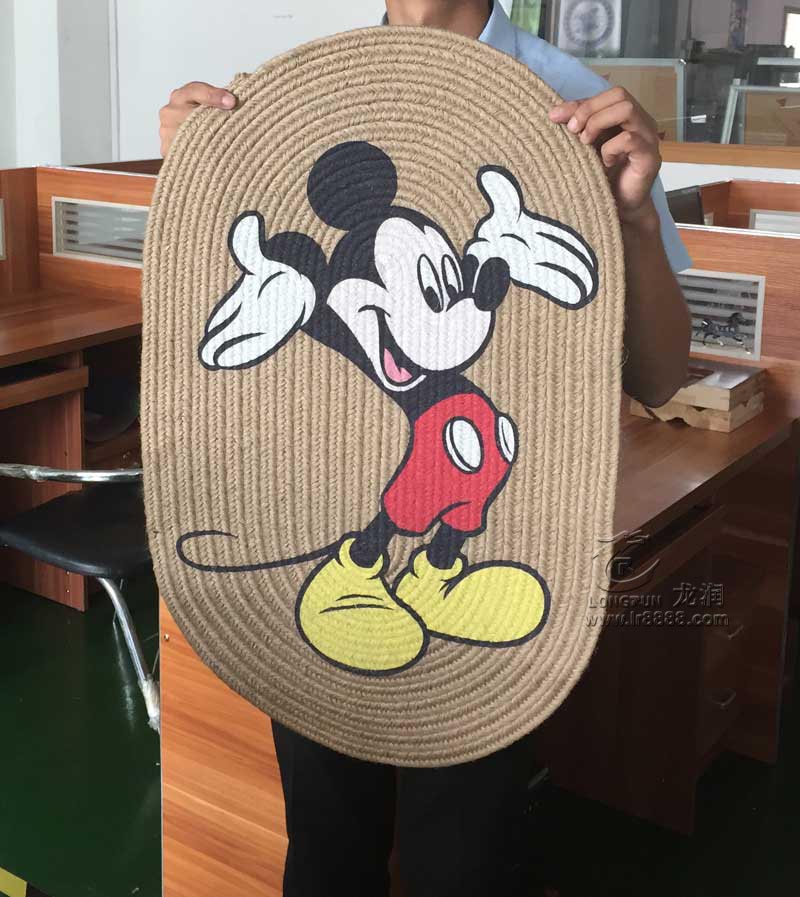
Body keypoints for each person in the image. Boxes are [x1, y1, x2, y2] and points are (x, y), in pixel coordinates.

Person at [158, 2, 692, 895]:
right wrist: (197, 178)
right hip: (314, 523)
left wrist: (634, 222)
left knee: (464, 862)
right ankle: (359, 573)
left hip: (507, 542)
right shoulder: (291, 101)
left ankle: (439, 573)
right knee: (327, 848)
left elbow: (662, 376)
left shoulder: (579, 108)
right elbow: (226, 354)